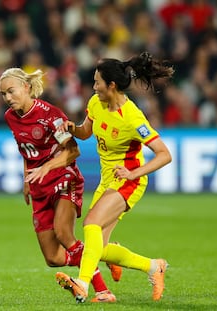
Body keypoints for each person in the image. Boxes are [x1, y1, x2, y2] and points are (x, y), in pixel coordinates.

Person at [55, 51, 174, 303]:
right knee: (97, 247)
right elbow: (86, 132)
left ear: (111, 85)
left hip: (129, 181)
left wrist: (133, 172)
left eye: (97, 82)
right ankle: (153, 266)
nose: (93, 86)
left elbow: (164, 155)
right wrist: (71, 128)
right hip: (107, 180)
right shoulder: (96, 103)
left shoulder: (132, 117)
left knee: (91, 224)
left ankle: (83, 285)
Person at [0, 67, 121, 303]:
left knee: (64, 233)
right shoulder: (10, 117)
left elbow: (73, 151)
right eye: (4, 94)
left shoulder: (50, 115)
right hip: (39, 187)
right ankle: (104, 255)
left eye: (11, 92)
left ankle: (103, 292)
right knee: (53, 258)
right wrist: (27, 178)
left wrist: (47, 167)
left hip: (64, 178)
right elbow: (26, 150)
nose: (8, 98)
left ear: (26, 88)